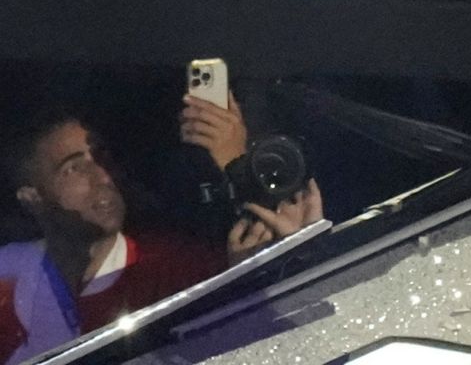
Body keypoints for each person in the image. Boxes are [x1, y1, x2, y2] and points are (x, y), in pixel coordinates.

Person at [0, 98, 322, 365]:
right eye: (73, 167)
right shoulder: (9, 274)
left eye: (100, 158)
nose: (102, 176)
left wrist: (282, 263)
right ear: (32, 197)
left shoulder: (185, 272)